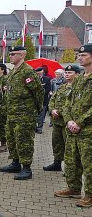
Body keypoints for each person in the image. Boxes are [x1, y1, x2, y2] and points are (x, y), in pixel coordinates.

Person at [55, 45, 92, 207]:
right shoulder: (79, 79)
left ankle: (90, 194)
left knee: (88, 163)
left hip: (88, 130)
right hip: (72, 128)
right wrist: (69, 120)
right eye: (78, 54)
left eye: (83, 55)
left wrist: (80, 122)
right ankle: (74, 188)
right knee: (71, 160)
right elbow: (67, 102)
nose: (79, 57)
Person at [0, 46, 43, 180]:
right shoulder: (13, 72)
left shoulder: (27, 71)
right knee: (12, 139)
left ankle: (27, 168)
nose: (10, 56)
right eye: (10, 54)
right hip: (12, 113)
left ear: (22, 55)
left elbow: (38, 92)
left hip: (25, 114)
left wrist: (36, 110)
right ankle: (15, 163)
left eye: (13, 54)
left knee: (24, 141)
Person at [43, 65, 79, 172]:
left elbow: (73, 105)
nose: (67, 75)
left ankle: (70, 169)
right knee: (57, 143)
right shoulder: (63, 87)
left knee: (69, 146)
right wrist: (52, 110)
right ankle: (57, 163)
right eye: (66, 73)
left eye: (70, 73)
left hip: (68, 122)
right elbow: (53, 99)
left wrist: (59, 112)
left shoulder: (77, 88)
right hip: (57, 122)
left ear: (77, 74)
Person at [0, 63, 9, 152]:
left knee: (1, 125)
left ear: (2, 70)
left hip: (2, 105)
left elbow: (5, 92)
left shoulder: (5, 79)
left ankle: (3, 143)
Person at [35, 66, 52, 134]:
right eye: (37, 72)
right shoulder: (34, 79)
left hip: (43, 100)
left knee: (41, 116)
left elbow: (48, 89)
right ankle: (34, 127)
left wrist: (41, 92)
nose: (38, 73)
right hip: (35, 101)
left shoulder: (47, 79)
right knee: (35, 115)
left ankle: (39, 128)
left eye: (39, 71)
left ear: (42, 72)